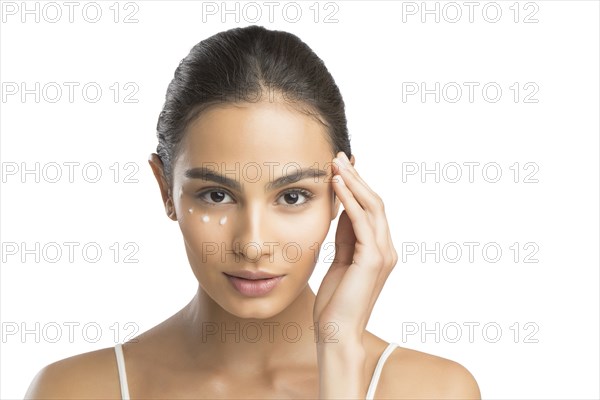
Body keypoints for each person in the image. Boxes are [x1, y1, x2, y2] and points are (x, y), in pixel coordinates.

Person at [25, 25, 480, 399]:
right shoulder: (73, 390)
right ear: (166, 189)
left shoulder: (434, 389)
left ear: (344, 193)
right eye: (216, 196)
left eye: (292, 196)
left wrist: (339, 352)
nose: (253, 244)